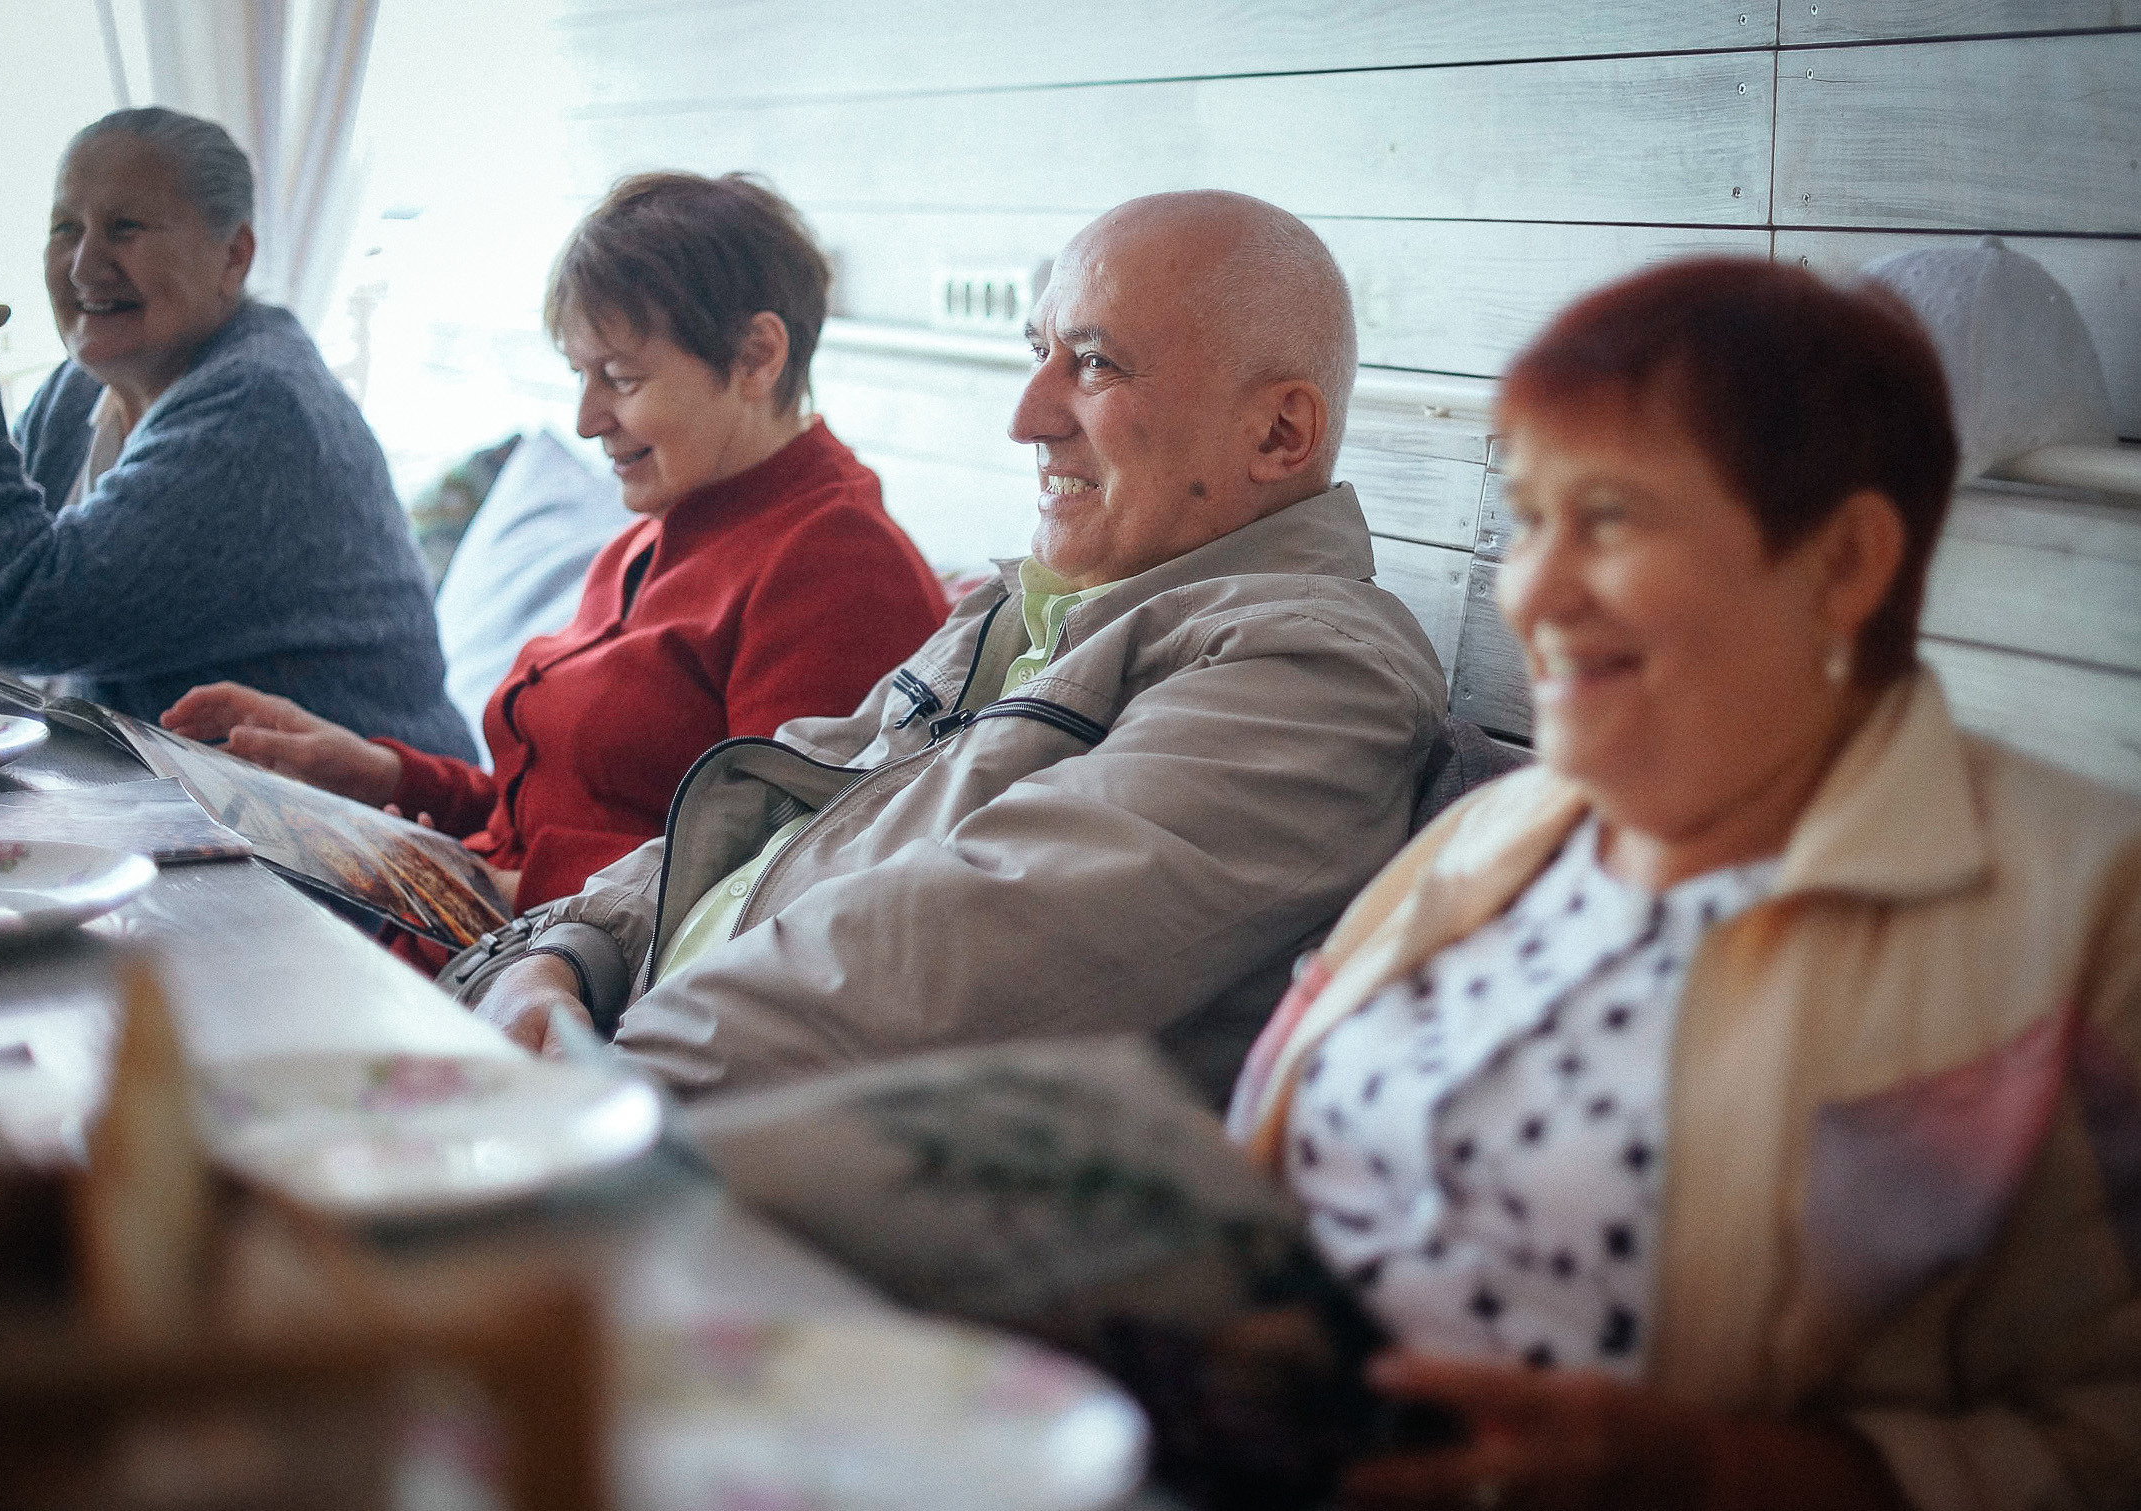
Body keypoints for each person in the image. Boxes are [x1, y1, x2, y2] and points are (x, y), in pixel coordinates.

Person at [1227, 259, 2141, 1509]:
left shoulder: (2087, 906)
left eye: (1606, 519)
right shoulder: (1499, 831)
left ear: (1843, 561)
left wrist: (1712, 1471)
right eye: (1531, 518)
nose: (1533, 591)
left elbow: (2107, 1435)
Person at [448, 190, 1451, 1104]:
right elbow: (771, 801)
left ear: (1278, 433)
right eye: (1037, 353)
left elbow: (934, 975)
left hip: (741, 1174)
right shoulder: (1018, 607)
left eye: (1095, 363)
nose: (1026, 417)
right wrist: (559, 957)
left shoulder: (1310, 673)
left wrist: (591, 1095)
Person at [162, 172, 949, 915]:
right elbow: (558, 815)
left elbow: (760, 887)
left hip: (563, 983)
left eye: (622, 377)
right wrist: (384, 774)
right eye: (580, 373)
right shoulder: (653, 537)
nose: (586, 419)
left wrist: (490, 888)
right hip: (484, 933)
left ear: (756, 357)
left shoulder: (836, 568)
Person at [0, 108, 471, 756]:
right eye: (65, 228)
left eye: (124, 228)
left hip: (355, 835)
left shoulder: (260, 409)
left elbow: (10, 612)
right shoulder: (77, 390)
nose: (82, 267)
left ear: (232, 256)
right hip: (194, 814)